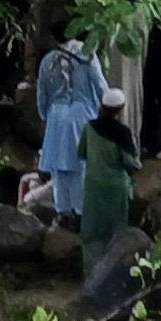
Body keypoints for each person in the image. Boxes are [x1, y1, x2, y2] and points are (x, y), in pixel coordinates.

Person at [37, 37, 109, 226]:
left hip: (56, 116)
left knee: (58, 169)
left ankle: (63, 211)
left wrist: (46, 115)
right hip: (81, 115)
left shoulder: (48, 60)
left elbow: (41, 96)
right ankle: (80, 211)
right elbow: (101, 87)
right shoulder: (87, 56)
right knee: (81, 166)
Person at [80, 87, 140, 273]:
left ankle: (90, 271)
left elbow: (81, 153)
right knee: (116, 231)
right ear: (121, 109)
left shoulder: (89, 127)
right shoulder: (123, 133)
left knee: (91, 231)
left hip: (93, 185)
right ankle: (112, 273)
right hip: (115, 187)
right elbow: (131, 163)